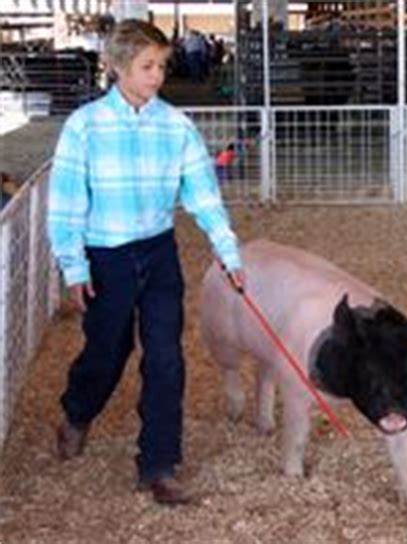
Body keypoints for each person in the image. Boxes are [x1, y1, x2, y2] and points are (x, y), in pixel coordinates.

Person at [47, 19, 245, 506]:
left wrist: (227, 249)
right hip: (105, 257)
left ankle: (158, 465)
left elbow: (202, 194)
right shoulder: (85, 127)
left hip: (158, 254)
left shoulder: (176, 126)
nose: (157, 76)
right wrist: (73, 265)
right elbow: (66, 201)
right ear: (116, 67)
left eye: (162, 65)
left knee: (166, 357)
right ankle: (77, 410)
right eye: (147, 66)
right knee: (107, 351)